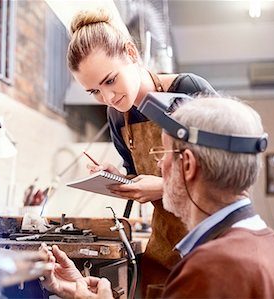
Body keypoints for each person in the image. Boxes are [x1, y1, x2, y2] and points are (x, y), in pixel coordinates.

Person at [40, 95, 274, 298]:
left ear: (188, 165)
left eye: (164, 153)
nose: (159, 166)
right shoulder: (264, 243)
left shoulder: (212, 268)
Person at [66, 8, 217, 297]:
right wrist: (119, 177)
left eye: (110, 80)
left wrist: (162, 187)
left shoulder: (189, 90)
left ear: (132, 53)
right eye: (94, 91)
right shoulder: (116, 116)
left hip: (211, 241)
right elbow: (137, 175)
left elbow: (228, 177)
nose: (108, 97)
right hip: (166, 245)